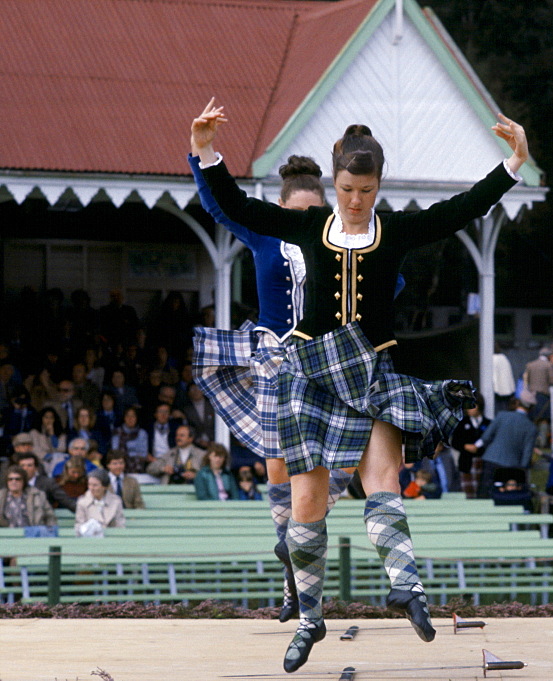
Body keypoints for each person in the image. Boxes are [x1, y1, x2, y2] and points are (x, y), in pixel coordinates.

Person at [193, 98, 530, 670]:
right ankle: (308, 619)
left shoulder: (394, 231)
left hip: (374, 372)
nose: (355, 201)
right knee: (306, 501)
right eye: (348, 189)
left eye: (366, 191)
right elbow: (235, 204)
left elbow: (459, 210)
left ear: (378, 186)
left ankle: (409, 590)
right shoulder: (306, 226)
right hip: (312, 373)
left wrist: (513, 164)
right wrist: (204, 149)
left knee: (383, 480)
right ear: (335, 183)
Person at [189, 148, 365, 627]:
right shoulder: (264, 232)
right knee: (277, 466)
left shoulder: (342, 244)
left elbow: (391, 278)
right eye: (296, 213)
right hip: (272, 360)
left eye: (314, 213)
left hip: (324, 363)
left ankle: (295, 549)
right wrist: (203, 154)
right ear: (281, 210)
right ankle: (293, 588)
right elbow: (217, 203)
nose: (305, 220)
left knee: (337, 469)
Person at [476, 395, 538, 498]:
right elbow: (527, 453)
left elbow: (486, 436)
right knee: (504, 496)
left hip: (491, 458)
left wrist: (476, 445)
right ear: (531, 408)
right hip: (511, 465)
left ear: (518, 403)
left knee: (484, 492)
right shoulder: (531, 427)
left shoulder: (502, 415)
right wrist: (522, 470)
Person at [450, 394, 490, 499]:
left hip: (483, 462)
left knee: (483, 490)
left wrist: (480, 448)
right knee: (467, 492)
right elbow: (454, 442)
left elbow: (492, 442)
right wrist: (465, 446)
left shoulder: (488, 423)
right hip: (466, 462)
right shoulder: (461, 423)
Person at [0, 465, 57, 529]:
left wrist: (49, 532)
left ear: (23, 481)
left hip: (33, 535)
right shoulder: (1, 497)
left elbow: (50, 517)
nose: (14, 482)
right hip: (6, 535)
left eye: (17, 479)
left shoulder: (37, 495)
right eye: (10, 479)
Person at [74, 469, 126, 536]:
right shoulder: (82, 502)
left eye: (95, 485)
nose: (91, 488)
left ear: (104, 487)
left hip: (111, 540)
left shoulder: (116, 501)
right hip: (89, 541)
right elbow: (79, 526)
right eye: (89, 484)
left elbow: (120, 525)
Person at [110, 406, 149, 473]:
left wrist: (129, 454)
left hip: (137, 466)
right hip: (120, 465)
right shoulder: (117, 432)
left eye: (133, 416)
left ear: (136, 418)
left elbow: (143, 454)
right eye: (128, 416)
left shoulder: (142, 433)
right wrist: (132, 453)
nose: (130, 419)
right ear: (124, 418)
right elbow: (115, 451)